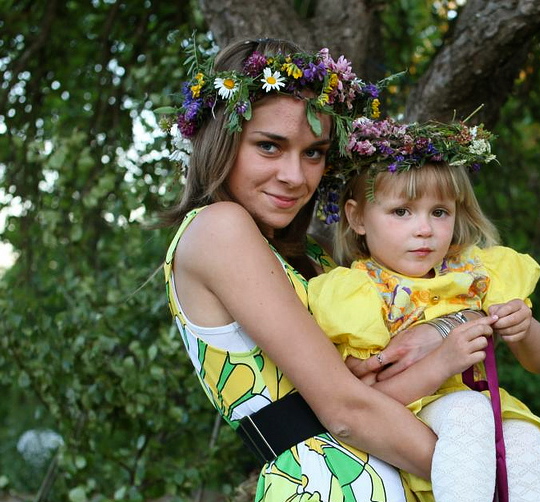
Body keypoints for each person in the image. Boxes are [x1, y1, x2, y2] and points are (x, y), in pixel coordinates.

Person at [157, 38, 505, 501]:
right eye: (269, 146)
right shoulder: (219, 229)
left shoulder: (316, 261)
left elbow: (447, 303)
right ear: (222, 142)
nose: (295, 176)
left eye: (314, 153)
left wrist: (446, 329)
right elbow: (345, 410)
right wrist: (506, 474)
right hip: (322, 486)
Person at [307, 117, 540, 502]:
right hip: (411, 418)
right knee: (467, 411)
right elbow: (364, 400)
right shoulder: (358, 292)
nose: (424, 229)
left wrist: (525, 330)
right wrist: (441, 364)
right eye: (402, 212)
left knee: (527, 439)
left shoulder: (475, 273)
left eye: (439, 212)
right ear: (357, 217)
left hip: (483, 408)